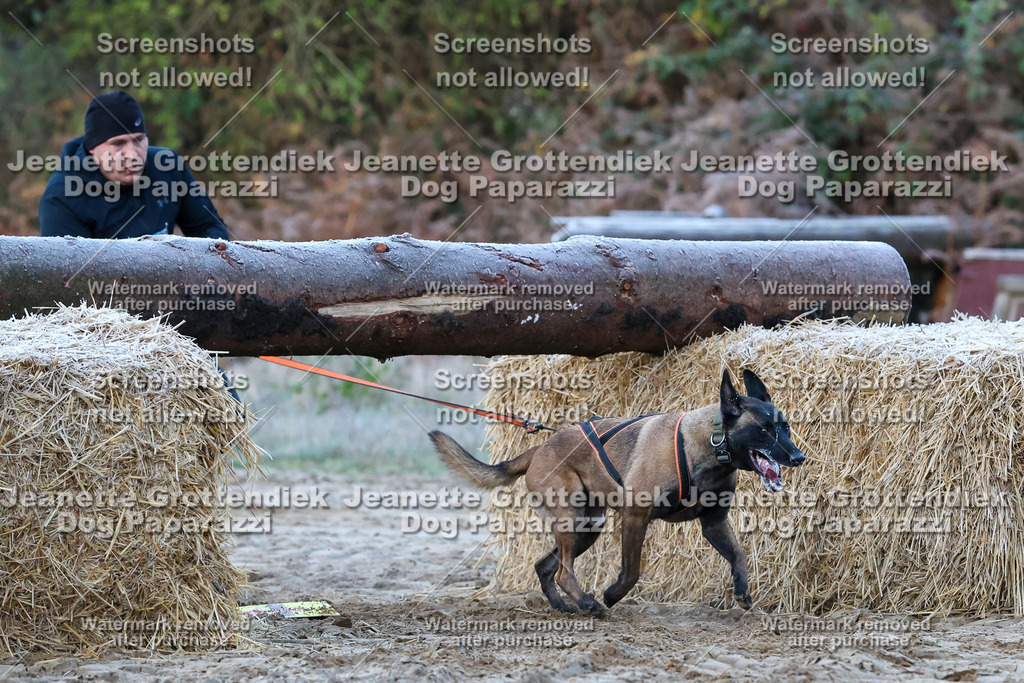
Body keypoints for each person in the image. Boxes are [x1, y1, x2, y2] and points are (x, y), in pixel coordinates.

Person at [39, 90, 229, 240]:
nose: (132, 155)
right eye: (118, 143)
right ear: (92, 148)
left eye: (139, 140)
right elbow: (69, 281)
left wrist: (199, 278)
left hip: (174, 284)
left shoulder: (168, 166)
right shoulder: (61, 198)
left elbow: (209, 228)